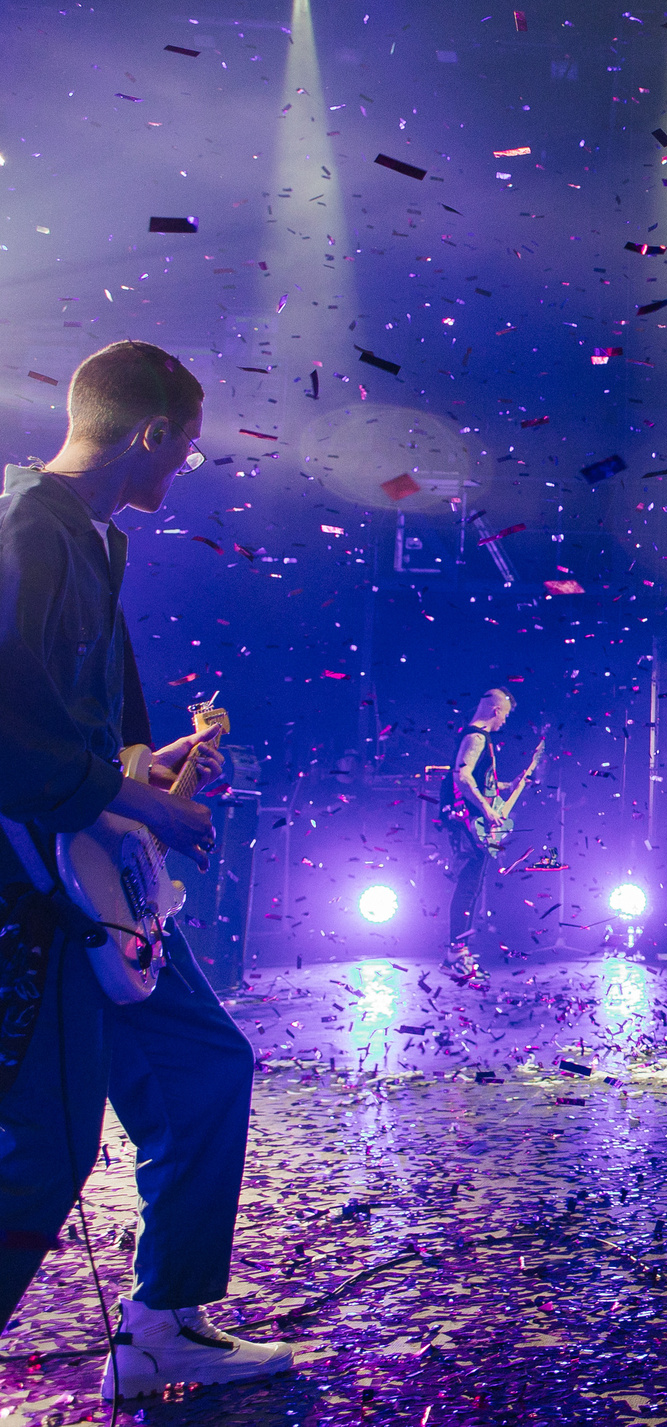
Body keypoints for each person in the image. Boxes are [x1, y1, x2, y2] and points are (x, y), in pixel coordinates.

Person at [0, 340, 292, 1400]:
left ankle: (164, 1322)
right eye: (185, 454)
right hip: (33, 894)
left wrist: (151, 768)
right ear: (152, 434)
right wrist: (151, 807)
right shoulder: (28, 523)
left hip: (92, 880)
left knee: (205, 1067)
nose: (181, 477)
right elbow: (12, 741)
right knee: (39, 1154)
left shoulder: (94, 543)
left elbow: (92, 737)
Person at [442, 688, 539, 975]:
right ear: (496, 711)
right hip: (467, 821)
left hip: (471, 820)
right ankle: (454, 954)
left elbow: (481, 784)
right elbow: (462, 776)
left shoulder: (478, 738)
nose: (505, 722)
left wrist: (510, 785)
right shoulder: (476, 737)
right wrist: (486, 809)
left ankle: (458, 951)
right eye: (505, 715)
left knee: (471, 887)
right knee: (468, 887)